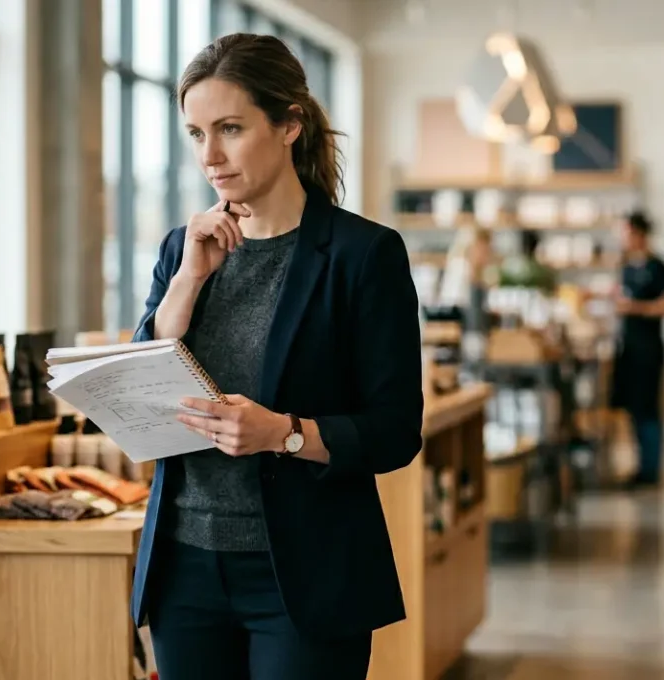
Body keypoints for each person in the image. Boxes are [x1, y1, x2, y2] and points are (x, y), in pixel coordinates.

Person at [128, 34, 424, 680]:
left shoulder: (363, 255)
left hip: (305, 575)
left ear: (289, 123)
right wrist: (186, 281)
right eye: (196, 133)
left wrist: (286, 435)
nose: (210, 156)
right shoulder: (184, 247)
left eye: (230, 128)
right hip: (185, 572)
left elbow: (396, 431)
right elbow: (141, 391)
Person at [609, 212, 664, 488]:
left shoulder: (659, 268)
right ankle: (639, 466)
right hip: (629, 349)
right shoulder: (625, 268)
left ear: (639, 234)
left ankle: (651, 469)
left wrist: (635, 308)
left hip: (649, 349)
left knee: (648, 409)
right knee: (633, 409)